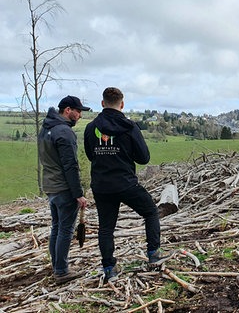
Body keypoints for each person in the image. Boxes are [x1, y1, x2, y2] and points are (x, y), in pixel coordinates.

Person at [84, 87, 167, 283]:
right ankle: (154, 254)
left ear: (103, 103)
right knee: (150, 212)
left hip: (101, 186)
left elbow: (90, 155)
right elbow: (144, 158)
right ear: (122, 104)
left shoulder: (90, 128)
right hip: (126, 184)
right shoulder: (130, 127)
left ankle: (109, 268)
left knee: (106, 228)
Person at [38, 95, 90, 285]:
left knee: (57, 227)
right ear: (67, 110)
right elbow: (70, 166)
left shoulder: (46, 128)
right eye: (78, 111)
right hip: (64, 188)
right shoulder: (64, 133)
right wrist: (78, 194)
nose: (80, 116)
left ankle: (56, 265)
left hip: (50, 186)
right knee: (65, 230)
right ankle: (61, 271)